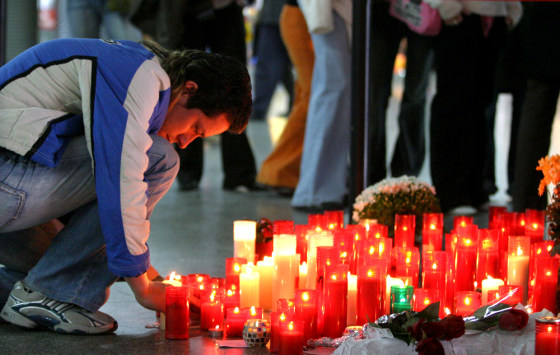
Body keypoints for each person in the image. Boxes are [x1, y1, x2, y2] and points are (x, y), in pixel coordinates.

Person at [0, 38, 251, 334]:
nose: (186, 141)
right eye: (196, 128)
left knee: (69, 274)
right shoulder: (137, 75)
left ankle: (35, 295)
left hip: (14, 183)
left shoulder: (132, 66)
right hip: (8, 184)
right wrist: (144, 289)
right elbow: (119, 177)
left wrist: (151, 276)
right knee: (160, 158)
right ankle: (47, 294)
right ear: (188, 90)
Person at [131, 0, 258, 192]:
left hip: (226, 9)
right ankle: (188, 172)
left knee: (231, 101)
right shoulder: (138, 82)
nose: (182, 143)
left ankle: (239, 174)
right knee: (192, 101)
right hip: (186, 12)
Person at [424, 0, 522, 213]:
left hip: (494, 17)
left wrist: (512, 11)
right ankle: (451, 193)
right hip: (458, 15)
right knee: (453, 104)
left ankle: (474, 190)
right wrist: (444, 5)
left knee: (480, 107)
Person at [292, 0, 352, 211]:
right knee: (332, 95)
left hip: (338, 12)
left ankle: (323, 187)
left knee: (335, 96)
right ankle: (315, 190)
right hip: (328, 10)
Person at [367, 0, 434, 185]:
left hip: (424, 8)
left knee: (416, 95)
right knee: (375, 95)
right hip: (381, 11)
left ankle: (406, 172)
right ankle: (370, 171)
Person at [256, 0, 314, 196]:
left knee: (307, 95)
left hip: (298, 15)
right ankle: (280, 171)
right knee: (311, 97)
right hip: (301, 15)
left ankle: (284, 170)